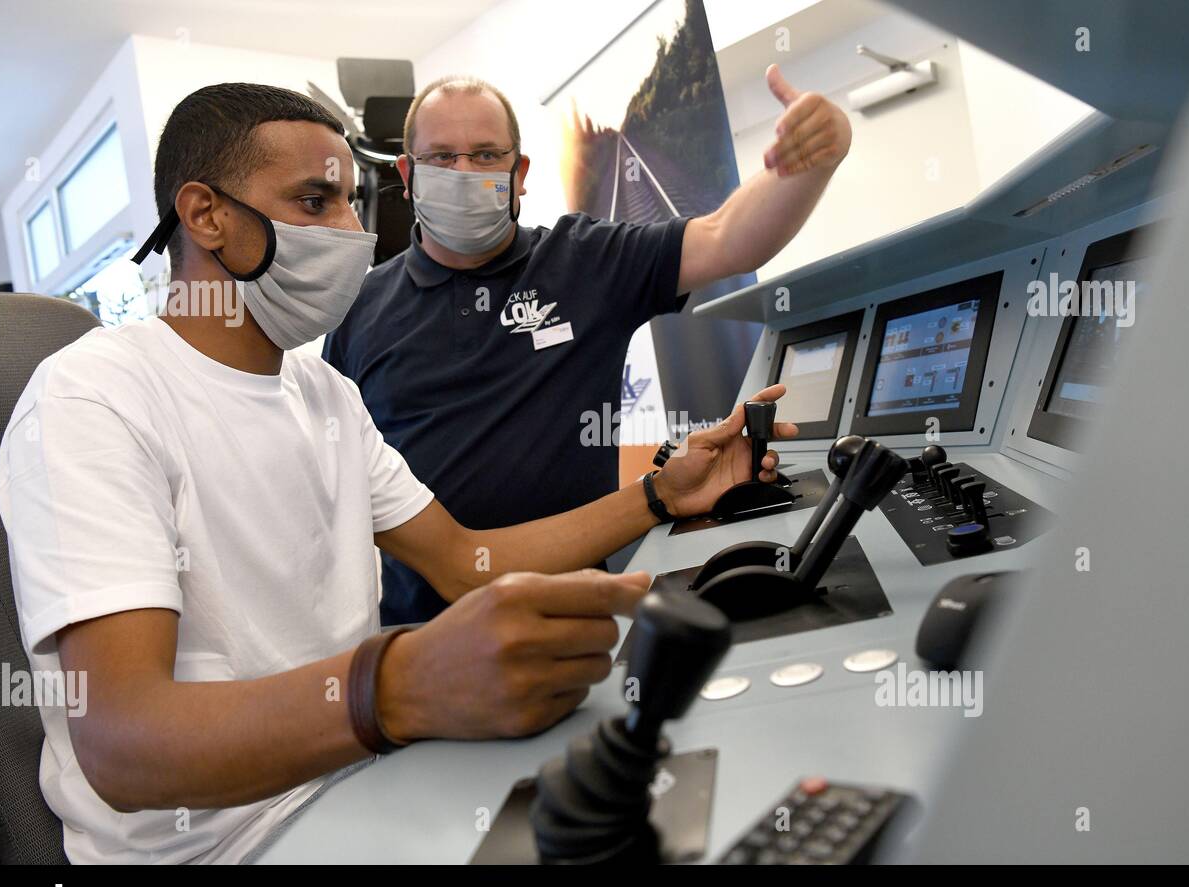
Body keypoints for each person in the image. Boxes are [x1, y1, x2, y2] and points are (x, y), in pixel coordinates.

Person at [0, 83, 795, 864]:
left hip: (364, 774)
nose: (351, 232)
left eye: (351, 202)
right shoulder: (92, 398)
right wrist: (399, 686)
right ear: (205, 215)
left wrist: (660, 495)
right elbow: (126, 744)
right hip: (224, 844)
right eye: (315, 202)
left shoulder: (326, 396)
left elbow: (464, 559)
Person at [325, 66, 851, 625]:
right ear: (407, 173)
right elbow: (335, 490)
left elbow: (728, 240)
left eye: (484, 155)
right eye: (440, 158)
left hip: (580, 621)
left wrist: (812, 162)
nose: (463, 172)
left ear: (519, 172)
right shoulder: (358, 309)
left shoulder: (586, 261)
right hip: (418, 638)